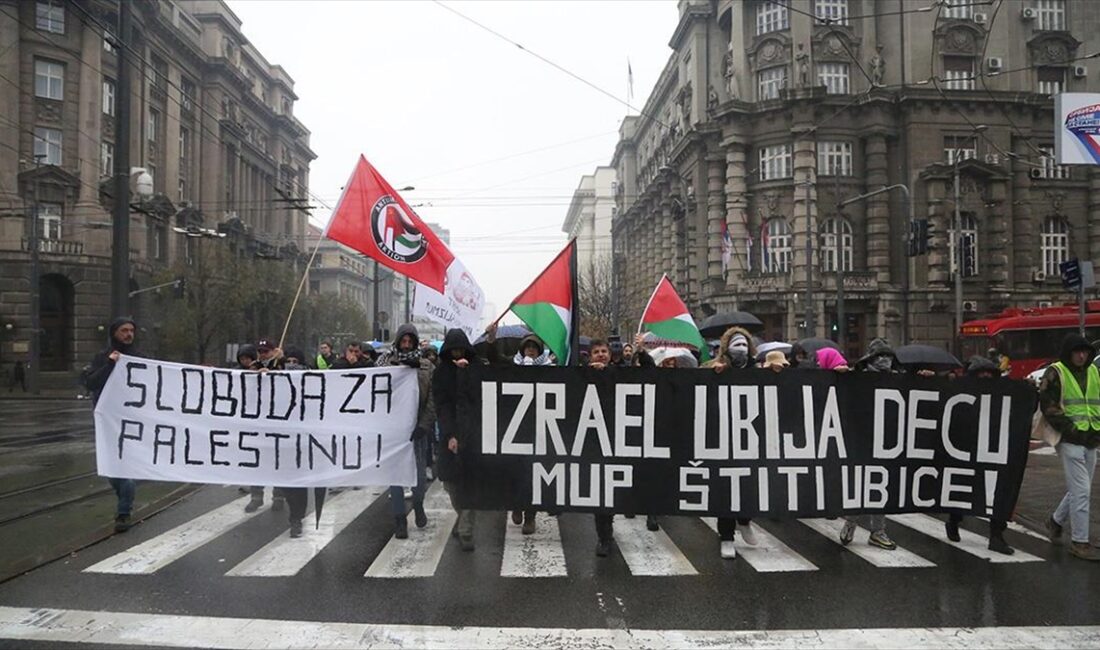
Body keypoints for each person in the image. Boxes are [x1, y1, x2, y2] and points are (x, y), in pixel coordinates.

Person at [944, 356, 1014, 554]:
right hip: (966, 449)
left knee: (998, 493)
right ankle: (954, 520)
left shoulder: (1004, 390)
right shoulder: (961, 390)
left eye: (989, 374)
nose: (985, 377)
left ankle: (997, 535)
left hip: (993, 450)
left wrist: (1027, 389)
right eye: (980, 374)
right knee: (962, 489)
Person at [1040, 334, 1100, 561]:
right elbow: (1048, 404)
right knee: (1082, 490)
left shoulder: (1093, 371)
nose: (1082, 355)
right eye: (1077, 351)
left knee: (1079, 488)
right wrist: (1070, 430)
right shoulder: (1056, 372)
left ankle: (1055, 522)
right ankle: (1080, 541)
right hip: (1070, 438)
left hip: (1092, 437)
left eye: (1084, 351)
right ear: (1069, 352)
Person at [704, 327, 760, 558]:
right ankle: (726, 536)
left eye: (745, 345)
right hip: (723, 439)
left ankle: (744, 519)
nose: (742, 350)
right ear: (727, 348)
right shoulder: (715, 369)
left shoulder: (756, 370)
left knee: (748, 483)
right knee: (725, 488)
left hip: (750, 439)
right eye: (737, 345)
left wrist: (776, 373)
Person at [840, 338, 900, 551]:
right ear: (871, 359)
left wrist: (924, 378)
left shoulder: (897, 379)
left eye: (888, 356)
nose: (885, 360)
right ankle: (851, 521)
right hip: (861, 439)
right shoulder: (858, 378)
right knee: (860, 484)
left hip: (886, 441)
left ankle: (878, 531)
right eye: (880, 356)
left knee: (880, 486)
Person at [377, 324, 436, 539]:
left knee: (418, 476)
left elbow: (432, 399)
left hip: (417, 429)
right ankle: (399, 519)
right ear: (398, 341)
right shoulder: (385, 363)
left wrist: (424, 425)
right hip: (393, 430)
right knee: (395, 476)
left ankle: (418, 504)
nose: (407, 344)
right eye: (404, 340)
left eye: (411, 341)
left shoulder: (426, 366)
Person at [83, 317, 140, 533]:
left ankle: (123, 512)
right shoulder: (102, 358)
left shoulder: (140, 358)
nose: (129, 334)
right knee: (110, 466)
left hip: (132, 420)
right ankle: (124, 499)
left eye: (131, 330)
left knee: (123, 465)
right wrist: (110, 364)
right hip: (107, 420)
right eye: (124, 330)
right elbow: (91, 382)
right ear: (114, 333)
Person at [433, 328, 480, 551]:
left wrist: (465, 373)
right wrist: (450, 434)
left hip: (472, 434)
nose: (458, 353)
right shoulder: (441, 373)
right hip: (450, 434)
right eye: (454, 350)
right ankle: (462, 518)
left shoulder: (474, 369)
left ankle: (466, 530)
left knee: (469, 483)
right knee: (450, 483)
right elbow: (442, 405)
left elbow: (476, 399)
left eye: (461, 349)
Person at [509, 333, 553, 534]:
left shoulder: (549, 369)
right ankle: (516, 504)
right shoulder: (514, 365)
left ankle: (530, 516)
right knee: (516, 470)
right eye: (527, 347)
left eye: (534, 347)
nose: (530, 350)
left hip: (540, 425)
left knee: (533, 471)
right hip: (516, 427)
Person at [243, 339, 287, 515]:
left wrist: (279, 369)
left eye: (266, 351)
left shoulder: (283, 364)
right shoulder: (254, 367)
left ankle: (278, 496)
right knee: (258, 460)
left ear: (273, 351)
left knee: (278, 460)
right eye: (260, 351)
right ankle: (256, 497)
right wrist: (254, 374)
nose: (263, 354)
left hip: (279, 421)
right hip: (259, 421)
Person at [587, 338, 620, 557]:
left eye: (604, 351)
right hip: (594, 443)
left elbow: (648, 374)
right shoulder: (583, 374)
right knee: (601, 491)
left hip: (619, 441)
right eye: (597, 351)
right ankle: (604, 537)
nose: (601, 354)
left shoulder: (621, 373)